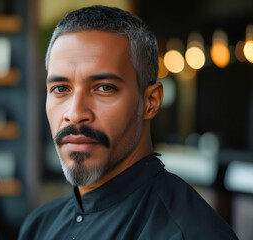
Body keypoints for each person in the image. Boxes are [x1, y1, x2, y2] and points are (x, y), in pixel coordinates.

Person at [18, 5, 238, 240]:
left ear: (151, 101)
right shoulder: (39, 226)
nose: (75, 113)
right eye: (60, 89)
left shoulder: (187, 233)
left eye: (104, 88)